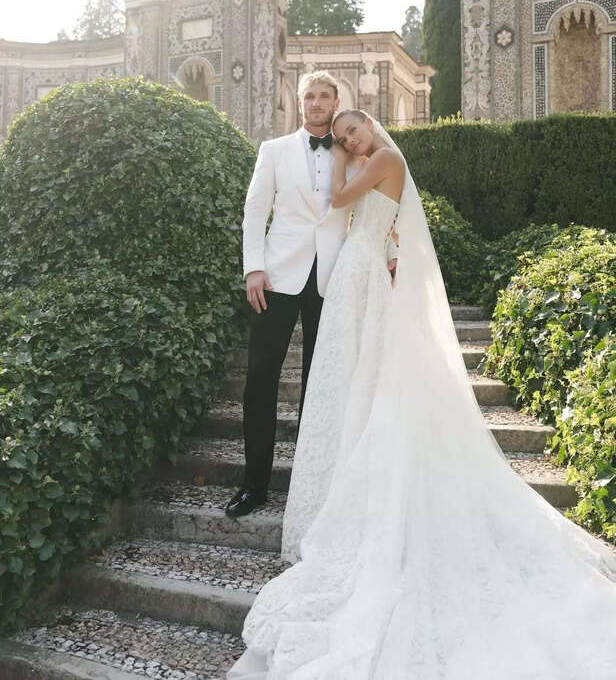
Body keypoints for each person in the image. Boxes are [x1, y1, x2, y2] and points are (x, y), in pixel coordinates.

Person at [228, 110, 616, 679]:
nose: (348, 142)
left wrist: (338, 159)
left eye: (351, 132)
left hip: (357, 269)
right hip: (356, 268)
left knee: (364, 376)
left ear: (369, 126)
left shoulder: (380, 157)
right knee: (355, 375)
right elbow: (384, 222)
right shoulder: (378, 162)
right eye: (341, 139)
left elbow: (338, 201)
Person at [225, 75, 397, 519]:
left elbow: (378, 208)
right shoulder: (274, 151)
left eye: (324, 96)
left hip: (335, 278)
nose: (316, 103)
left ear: (337, 103)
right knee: (260, 379)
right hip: (278, 277)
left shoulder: (357, 153)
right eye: (309, 96)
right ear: (299, 104)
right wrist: (253, 268)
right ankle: (254, 484)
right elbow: (254, 211)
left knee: (321, 386)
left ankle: (310, 486)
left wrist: (391, 254)